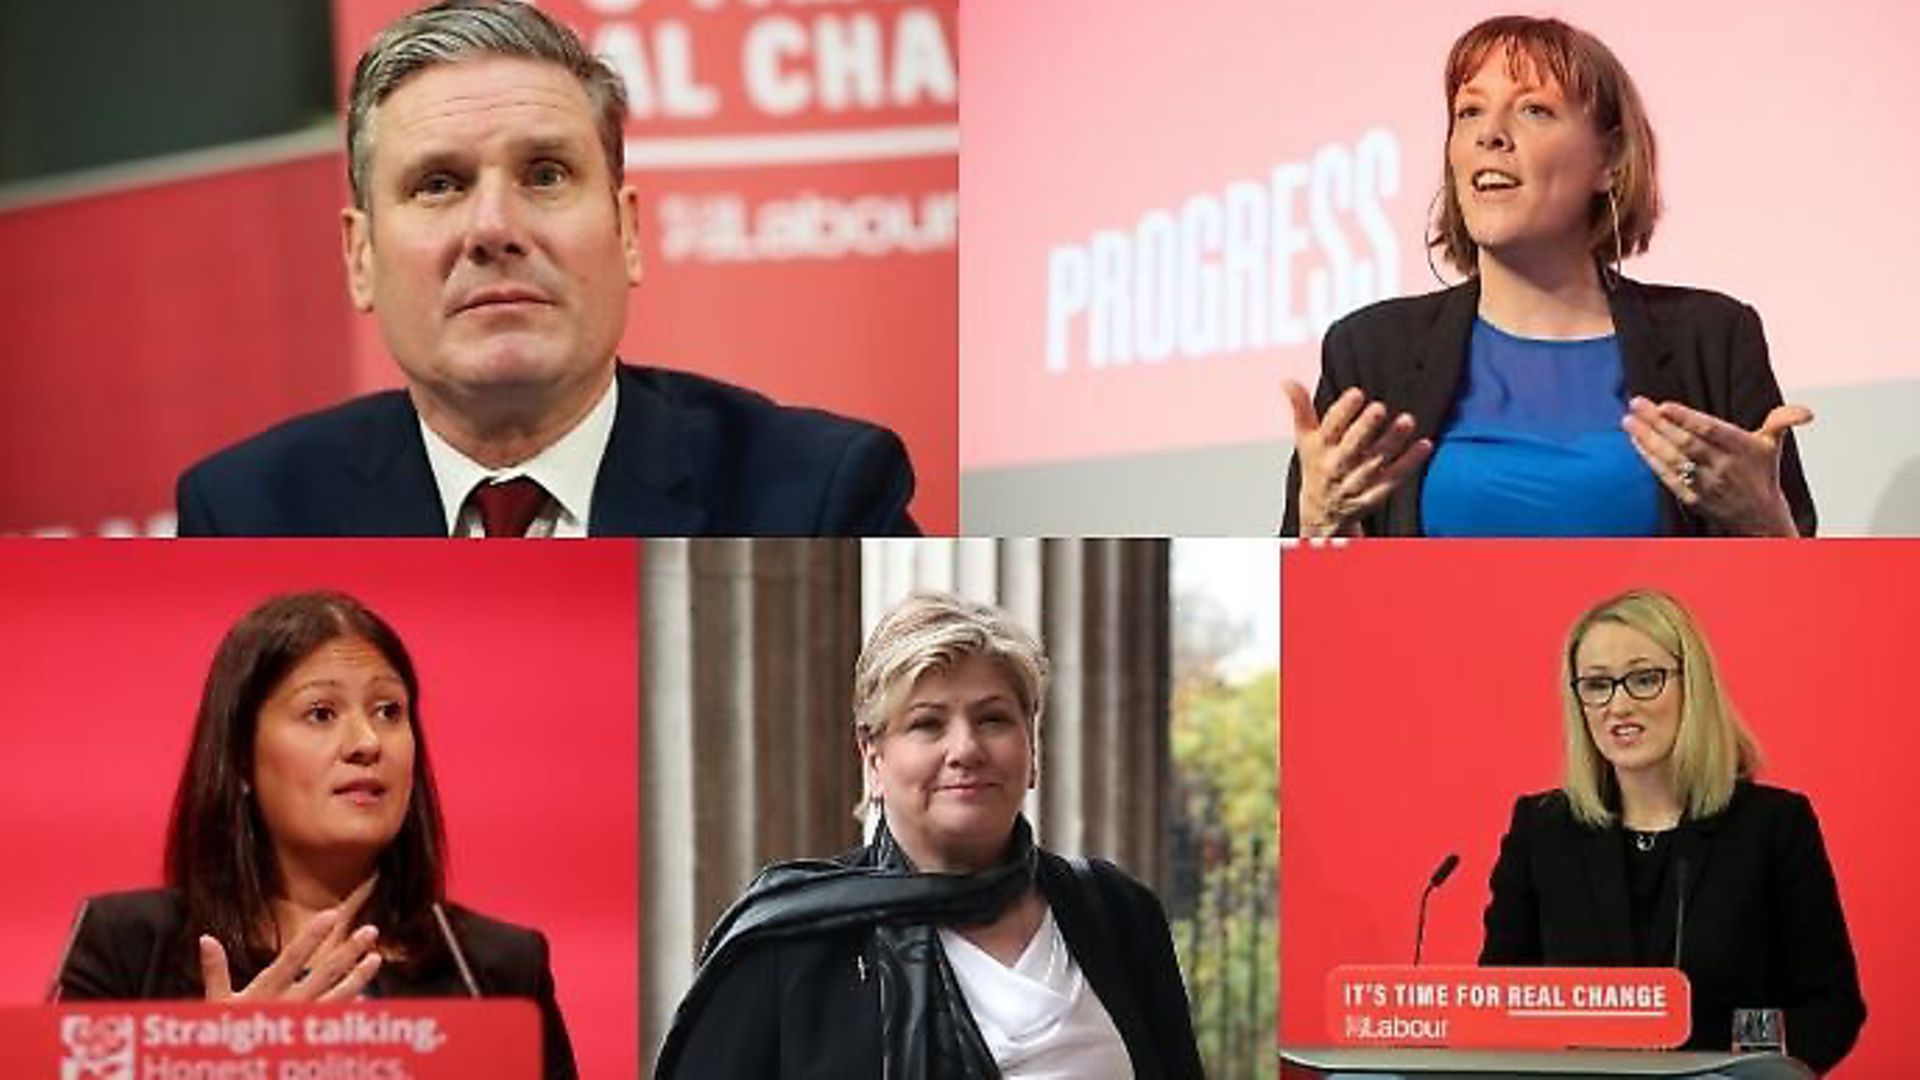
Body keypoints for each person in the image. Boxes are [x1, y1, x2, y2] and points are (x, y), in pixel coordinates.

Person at [175, 0, 917, 538]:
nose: (494, 228)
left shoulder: (821, 496)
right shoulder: (247, 513)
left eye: (546, 175)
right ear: (360, 258)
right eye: (439, 184)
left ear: (626, 231)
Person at [1281, 15, 1814, 537]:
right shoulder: (1373, 351)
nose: (1489, 135)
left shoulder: (1712, 337)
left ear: (1609, 159)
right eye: (1468, 112)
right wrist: (1321, 524)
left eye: (1534, 110)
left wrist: (1764, 522)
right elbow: (1315, 601)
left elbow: (1795, 605)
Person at [654, 593, 1204, 1078]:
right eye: (927, 724)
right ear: (873, 758)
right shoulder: (785, 944)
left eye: (993, 719)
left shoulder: (1117, 913)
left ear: (1031, 750)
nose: (965, 749)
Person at [57, 592, 577, 1080]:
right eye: (321, 713)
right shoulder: (126, 949)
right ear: (240, 758)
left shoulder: (498, 968)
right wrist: (215, 1062)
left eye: (389, 712)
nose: (367, 742)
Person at [1481, 590, 1864, 1072]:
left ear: (1693, 686)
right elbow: (1498, 1003)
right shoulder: (1542, 831)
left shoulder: (1772, 826)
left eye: (1644, 679)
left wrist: (1742, 1066)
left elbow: (1829, 1006)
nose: (1618, 706)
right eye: (1597, 685)